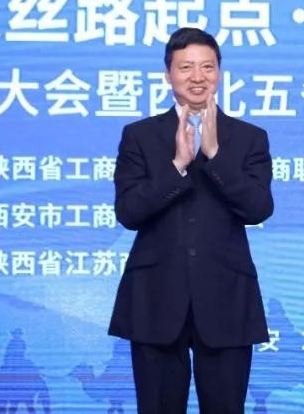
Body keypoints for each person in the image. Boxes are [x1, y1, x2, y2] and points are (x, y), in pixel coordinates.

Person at [108, 27, 274, 414]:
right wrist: (177, 166)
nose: (197, 77)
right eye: (186, 67)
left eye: (207, 67)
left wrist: (215, 156)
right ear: (168, 75)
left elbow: (258, 208)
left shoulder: (249, 137)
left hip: (226, 296)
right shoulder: (140, 135)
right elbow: (128, 212)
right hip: (155, 296)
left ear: (219, 73)